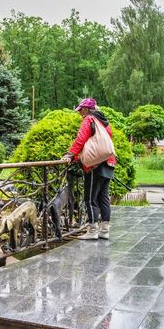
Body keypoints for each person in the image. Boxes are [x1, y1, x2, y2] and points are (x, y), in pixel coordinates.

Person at [61, 98, 116, 240]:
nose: (79, 112)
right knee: (103, 198)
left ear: (86, 109)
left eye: (81, 109)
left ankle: (92, 231)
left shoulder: (89, 120)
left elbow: (81, 139)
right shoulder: (104, 122)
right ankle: (104, 231)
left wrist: (70, 154)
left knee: (90, 199)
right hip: (109, 162)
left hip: (95, 165)